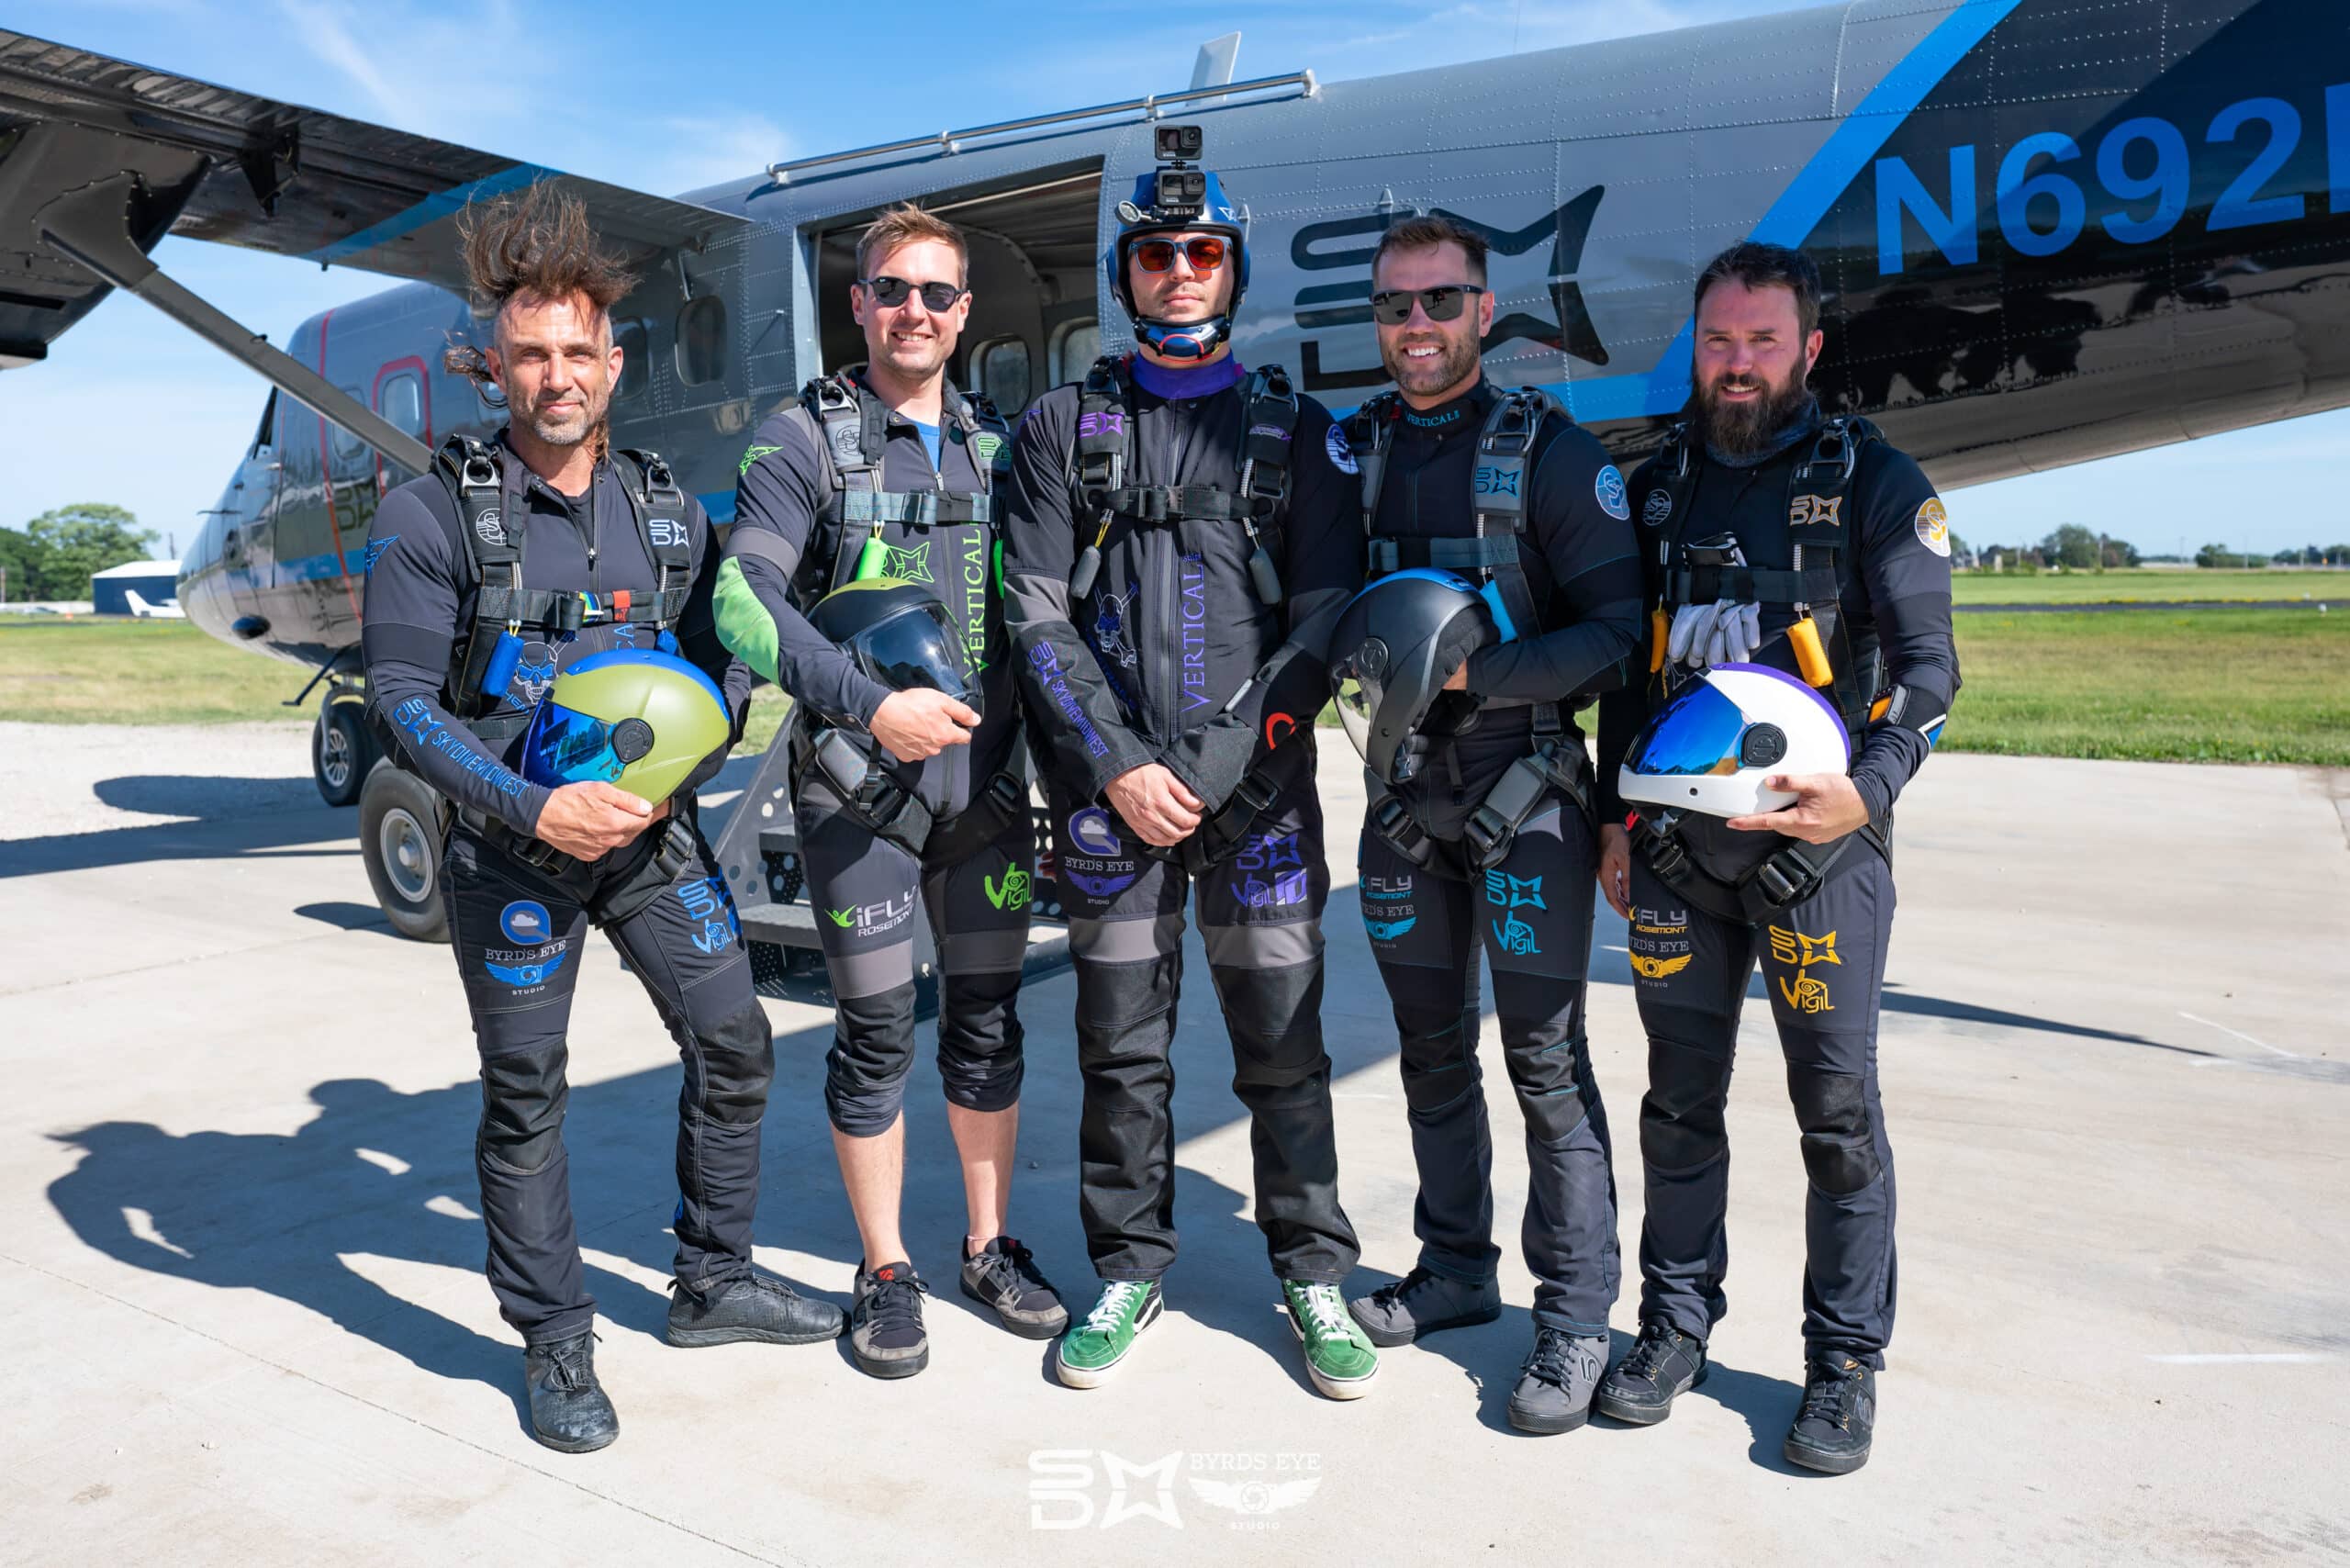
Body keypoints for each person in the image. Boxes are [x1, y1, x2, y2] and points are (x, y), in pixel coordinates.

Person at [359, 185, 840, 1454]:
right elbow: (403, 701)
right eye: (530, 353)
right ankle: (556, 1340)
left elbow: (731, 654)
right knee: (527, 1094)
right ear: (491, 362)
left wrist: (698, 750)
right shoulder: (431, 516)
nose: (556, 375)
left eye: (579, 351)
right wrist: (530, 801)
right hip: (510, 846)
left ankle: (714, 1276)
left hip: (649, 840)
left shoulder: (672, 513)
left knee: (737, 1043)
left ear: (613, 363)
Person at [998, 135, 1377, 1397]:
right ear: (1127, 272)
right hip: (1111, 808)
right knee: (1122, 1052)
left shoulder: (1295, 434)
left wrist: (1210, 772)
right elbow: (1036, 614)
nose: (1178, 271)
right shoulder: (1061, 429)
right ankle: (1131, 1270)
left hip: (1255, 799)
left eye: (1200, 252)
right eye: (1156, 254)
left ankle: (1314, 1272)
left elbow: (1326, 624)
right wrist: (1112, 767)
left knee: (1284, 1052)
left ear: (1232, 270)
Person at [1592, 241, 1961, 1474]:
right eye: (1717, 340)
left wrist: (1869, 790)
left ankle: (1844, 1363)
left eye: (1761, 341)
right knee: (1678, 1108)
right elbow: (1627, 678)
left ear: (1807, 348)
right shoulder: (1653, 490)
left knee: (1837, 1114)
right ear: (1692, 346)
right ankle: (1674, 1329)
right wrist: (1609, 818)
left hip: (1820, 860)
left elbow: (1929, 675)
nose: (1735, 364)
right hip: (1677, 859)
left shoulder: (1876, 481)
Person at [715, 204, 1066, 1379]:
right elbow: (741, 604)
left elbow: (1049, 616)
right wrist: (869, 704)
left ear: (963, 314)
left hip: (988, 798)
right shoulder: (800, 440)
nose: (914, 310)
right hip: (858, 794)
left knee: (987, 1031)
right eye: (892, 290)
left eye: (937, 294)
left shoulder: (1002, 446)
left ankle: (985, 1243)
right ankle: (885, 1268)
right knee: (874, 1034)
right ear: (857, 305)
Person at [1328, 217, 1643, 1434]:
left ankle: (1572, 1321)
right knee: (1428, 1054)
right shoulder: (1348, 456)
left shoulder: (1553, 460)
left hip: (1529, 800)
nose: (1417, 327)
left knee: (1546, 1065)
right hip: (1402, 801)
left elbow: (1618, 635)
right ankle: (1456, 1270)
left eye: (1440, 302)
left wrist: (1477, 679)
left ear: (1484, 307)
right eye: (1396, 307)